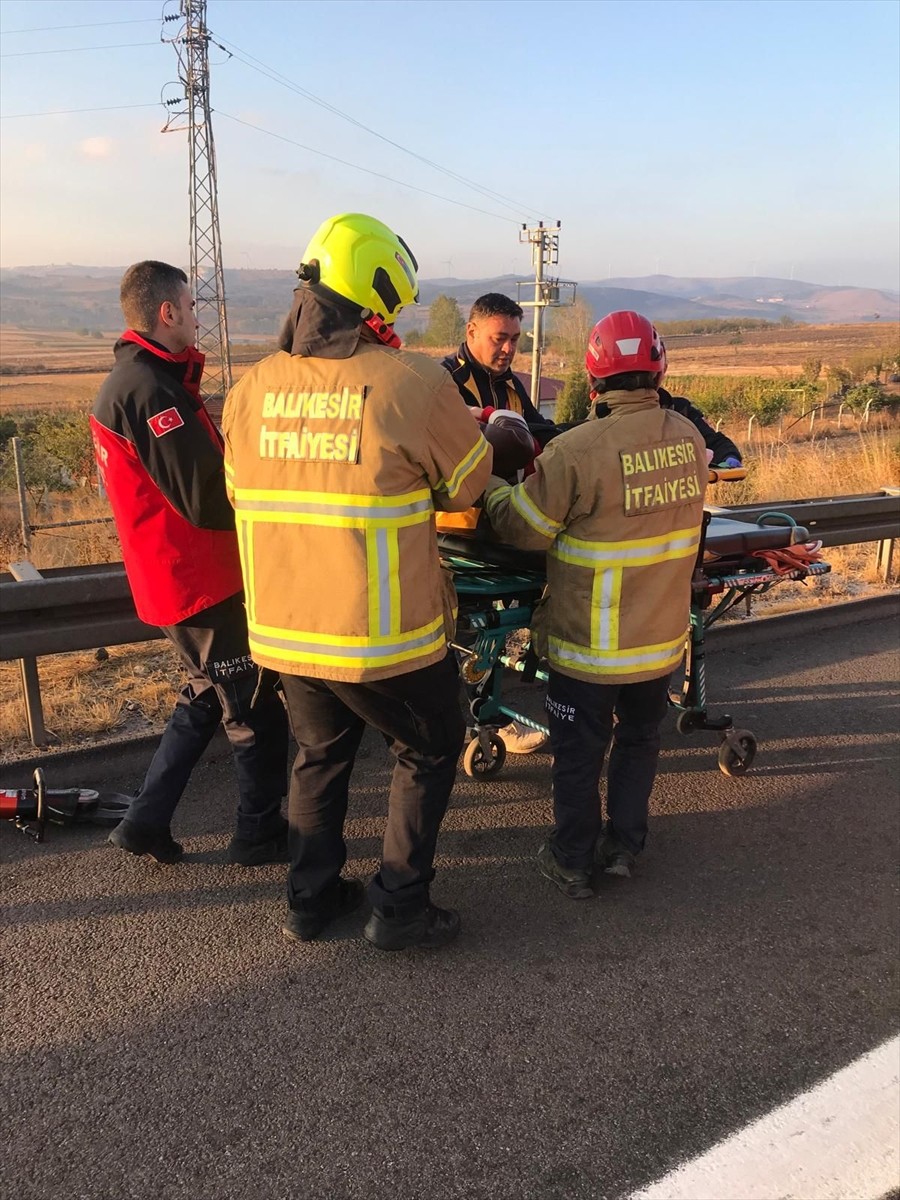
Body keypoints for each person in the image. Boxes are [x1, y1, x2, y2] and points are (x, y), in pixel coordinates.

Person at [222, 213, 492, 951]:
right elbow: (469, 485)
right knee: (431, 747)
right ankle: (399, 906)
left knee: (319, 756)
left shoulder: (250, 391)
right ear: (374, 301)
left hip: (285, 630)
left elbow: (244, 496)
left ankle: (310, 900)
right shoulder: (409, 381)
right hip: (384, 638)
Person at [481, 310, 708, 899]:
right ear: (657, 369)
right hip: (659, 641)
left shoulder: (579, 449)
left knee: (580, 755)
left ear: (594, 374)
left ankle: (572, 858)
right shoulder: (689, 439)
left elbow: (523, 527)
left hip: (591, 647)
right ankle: (625, 848)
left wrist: (487, 484)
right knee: (639, 740)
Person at [91, 261, 289, 866]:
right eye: (193, 307)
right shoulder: (151, 392)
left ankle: (143, 822)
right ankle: (259, 834)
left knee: (204, 698)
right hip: (197, 581)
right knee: (253, 713)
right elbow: (204, 496)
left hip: (175, 578)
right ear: (167, 313)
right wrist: (270, 492)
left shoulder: (141, 381)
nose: (200, 318)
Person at [441, 292, 556, 753]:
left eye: (514, 338)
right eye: (499, 338)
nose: (508, 348)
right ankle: (480, 717)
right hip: (459, 524)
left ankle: (506, 693)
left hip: (501, 514)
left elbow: (539, 430)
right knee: (473, 629)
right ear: (471, 333)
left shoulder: (509, 384)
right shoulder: (444, 382)